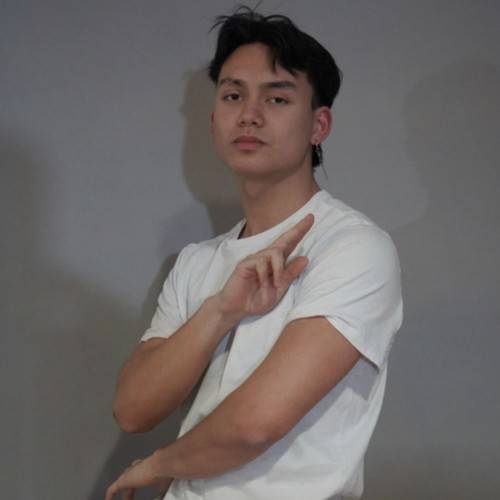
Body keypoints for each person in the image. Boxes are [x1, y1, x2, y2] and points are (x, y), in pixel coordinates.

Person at [105, 7, 403, 500]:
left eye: (277, 98)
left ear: (319, 125)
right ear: (214, 120)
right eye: (233, 95)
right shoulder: (197, 261)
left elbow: (256, 424)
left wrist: (157, 465)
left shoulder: (354, 247)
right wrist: (221, 310)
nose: (249, 114)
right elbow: (133, 409)